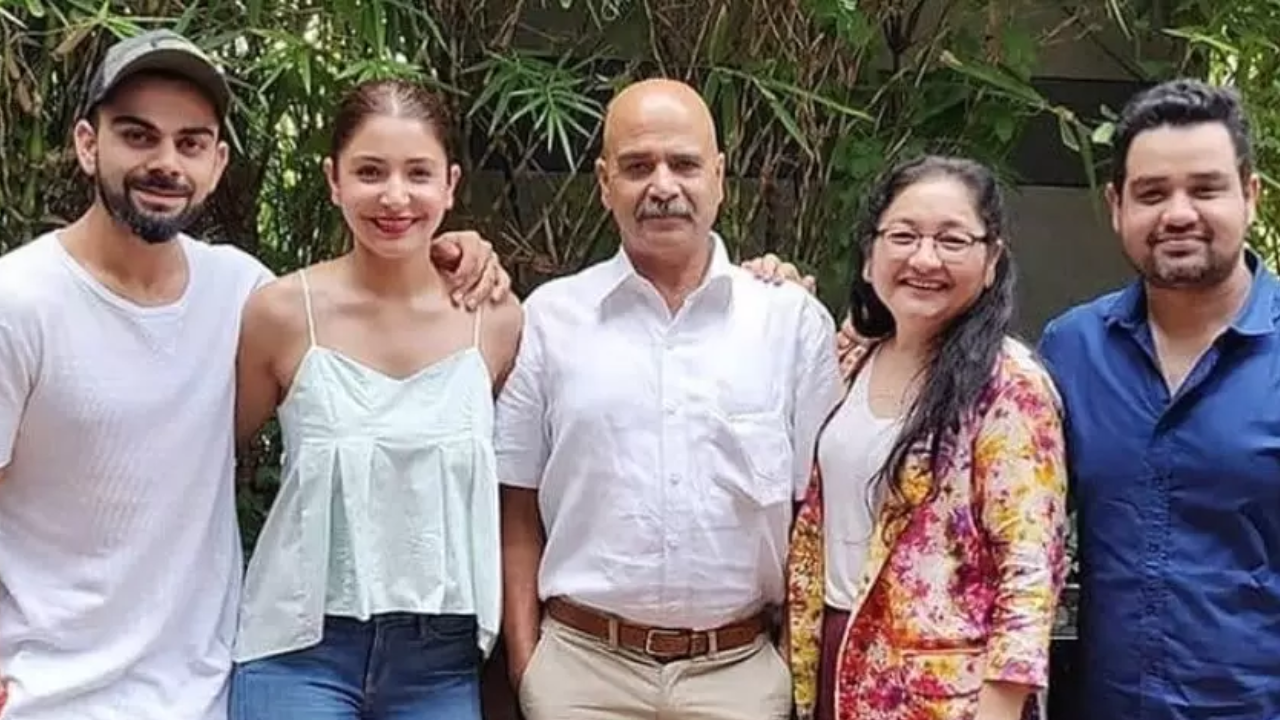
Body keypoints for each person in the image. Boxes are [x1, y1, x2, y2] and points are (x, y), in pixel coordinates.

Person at [0, 30, 506, 720]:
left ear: (217, 162)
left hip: (198, 686)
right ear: (88, 145)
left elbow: (365, 292)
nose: (166, 163)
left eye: (191, 143)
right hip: (48, 694)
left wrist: (455, 246)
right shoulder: (20, 301)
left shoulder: (241, 292)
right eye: (138, 136)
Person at [495, 77, 845, 720]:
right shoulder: (550, 318)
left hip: (738, 676)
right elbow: (516, 505)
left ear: (719, 177)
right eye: (637, 167)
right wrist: (527, 665)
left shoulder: (790, 322)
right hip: (581, 673)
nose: (662, 186)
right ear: (604, 183)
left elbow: (818, 516)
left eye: (684, 164)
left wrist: (788, 666)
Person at [228, 77, 522, 720]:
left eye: (418, 173)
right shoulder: (282, 312)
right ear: (333, 180)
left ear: (450, 184)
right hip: (297, 645)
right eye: (369, 171)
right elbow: (210, 465)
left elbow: (524, 485)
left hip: (439, 657)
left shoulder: (496, 318)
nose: (394, 196)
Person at [784, 155, 1068, 720]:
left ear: (992, 261)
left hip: (946, 697)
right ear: (870, 256)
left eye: (952, 240)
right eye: (904, 236)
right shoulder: (850, 361)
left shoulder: (1009, 386)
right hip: (833, 663)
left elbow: (1030, 574)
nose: (924, 259)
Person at [1037, 79, 1280, 720]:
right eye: (1151, 193)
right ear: (1116, 205)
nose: (1177, 213)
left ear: (1250, 196)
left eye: (1205, 189)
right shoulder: (1071, 350)